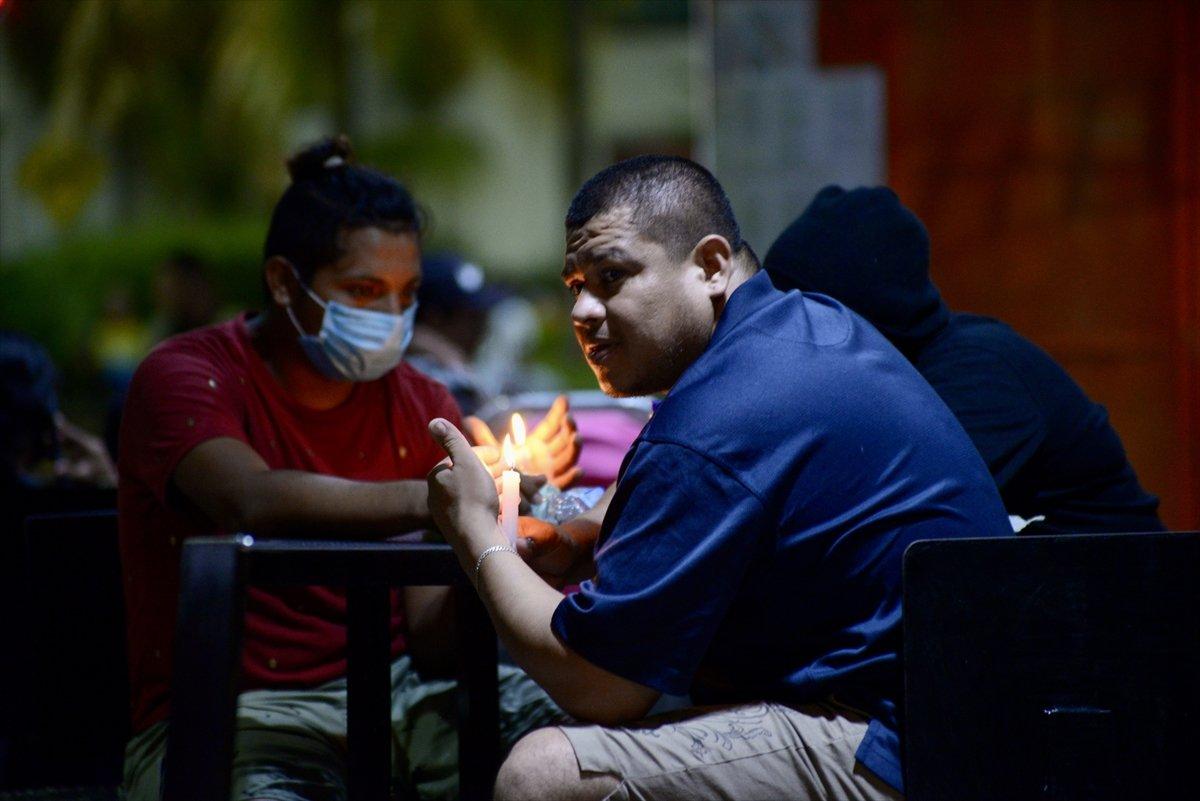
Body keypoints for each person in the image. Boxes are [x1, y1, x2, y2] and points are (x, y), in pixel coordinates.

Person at [421, 155, 1013, 801]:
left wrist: (475, 529)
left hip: (904, 746)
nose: (584, 310)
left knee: (544, 773)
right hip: (963, 719)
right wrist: (588, 533)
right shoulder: (801, 326)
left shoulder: (723, 414)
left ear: (708, 265)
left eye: (613, 276)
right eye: (575, 285)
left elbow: (601, 683)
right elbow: (702, 471)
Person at [118, 136, 568, 801]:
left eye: (407, 293)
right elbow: (250, 500)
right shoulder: (188, 376)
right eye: (364, 290)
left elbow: (433, 641)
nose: (392, 318)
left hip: (402, 694)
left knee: (575, 751)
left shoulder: (422, 401)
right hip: (240, 712)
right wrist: (437, 500)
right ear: (282, 282)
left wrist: (496, 537)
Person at [763, 185, 1164, 535]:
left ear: (852, 316)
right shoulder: (912, 373)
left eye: (800, 315)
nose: (785, 338)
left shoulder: (978, 376)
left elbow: (875, 514)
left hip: (1128, 607)